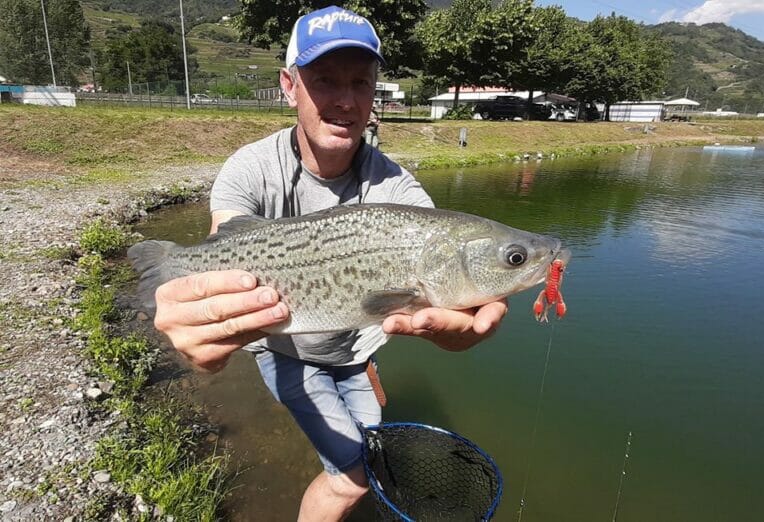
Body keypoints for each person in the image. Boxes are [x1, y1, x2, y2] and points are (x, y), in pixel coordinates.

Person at [152, 5, 508, 521]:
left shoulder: (400, 192)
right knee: (353, 477)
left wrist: (461, 334)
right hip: (285, 349)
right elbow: (220, 252)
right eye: (323, 81)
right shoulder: (251, 168)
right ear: (289, 85)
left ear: (375, 90)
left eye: (361, 82)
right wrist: (205, 322)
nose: (345, 101)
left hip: (356, 351)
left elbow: (443, 292)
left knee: (367, 450)